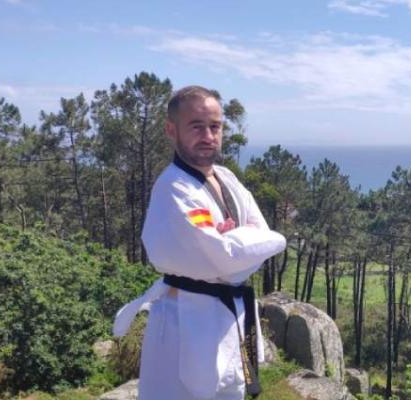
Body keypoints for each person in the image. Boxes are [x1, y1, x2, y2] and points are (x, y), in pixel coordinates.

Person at [112, 86, 286, 399]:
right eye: (196, 126)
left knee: (230, 391)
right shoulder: (174, 188)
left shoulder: (226, 178)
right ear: (171, 129)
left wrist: (241, 245)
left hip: (228, 319)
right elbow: (225, 258)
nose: (208, 135)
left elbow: (256, 236)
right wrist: (247, 245)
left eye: (215, 126)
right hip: (184, 322)